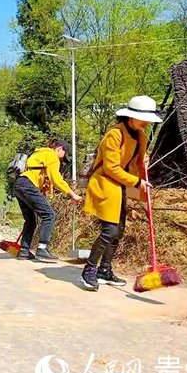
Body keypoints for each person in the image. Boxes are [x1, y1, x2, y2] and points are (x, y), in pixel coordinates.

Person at [80, 96, 162, 291]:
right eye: (142, 118)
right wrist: (136, 182)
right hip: (106, 184)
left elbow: (136, 158)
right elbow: (111, 168)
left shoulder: (141, 136)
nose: (146, 123)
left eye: (148, 120)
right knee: (110, 230)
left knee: (119, 230)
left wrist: (145, 160)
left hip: (120, 186)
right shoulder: (114, 135)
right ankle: (89, 269)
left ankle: (104, 270)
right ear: (130, 117)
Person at [13, 139, 83, 260]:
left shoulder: (40, 153)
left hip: (19, 184)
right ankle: (42, 248)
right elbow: (56, 178)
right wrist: (72, 194)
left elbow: (39, 175)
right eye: (64, 155)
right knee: (49, 215)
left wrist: (45, 189)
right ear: (59, 149)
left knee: (30, 220)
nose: (62, 159)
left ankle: (24, 250)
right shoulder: (51, 155)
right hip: (27, 185)